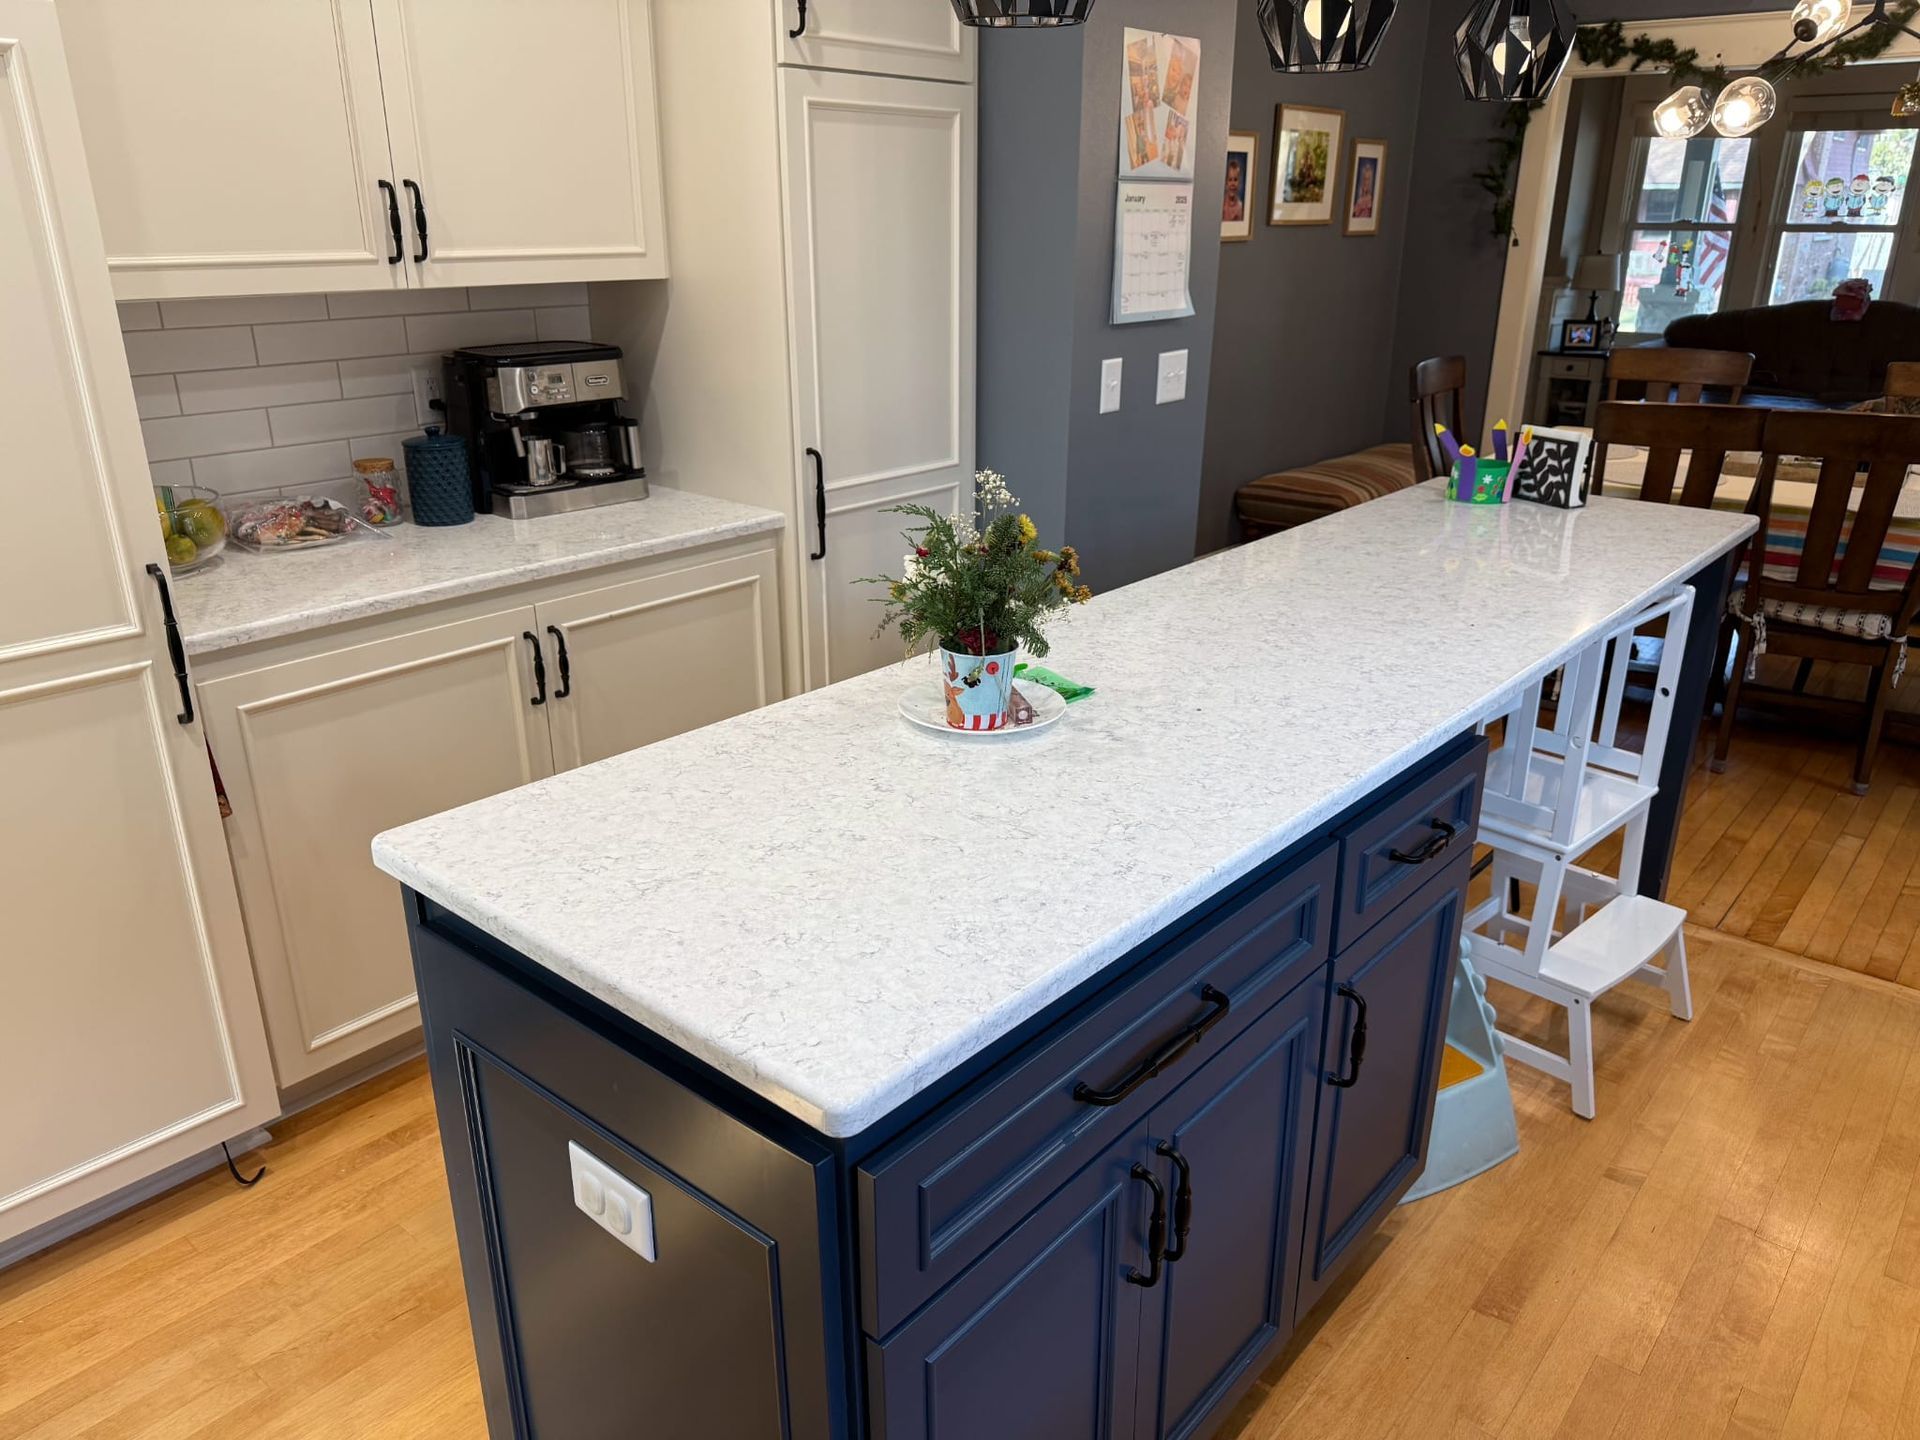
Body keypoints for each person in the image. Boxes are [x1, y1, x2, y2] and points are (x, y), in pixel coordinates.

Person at [1222, 154, 1246, 224]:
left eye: (1235, 180)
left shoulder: (1240, 208)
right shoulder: (1222, 206)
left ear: (1239, 182)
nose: (1232, 184)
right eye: (1230, 180)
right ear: (1226, 183)